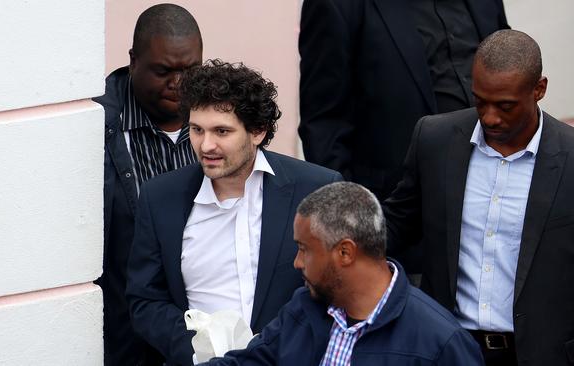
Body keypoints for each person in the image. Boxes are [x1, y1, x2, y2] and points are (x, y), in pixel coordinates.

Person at [382, 29, 574, 365]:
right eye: (480, 101)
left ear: (539, 89)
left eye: (505, 106)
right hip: (446, 351)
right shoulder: (434, 140)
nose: (490, 117)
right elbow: (393, 226)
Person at [126, 60, 343, 366]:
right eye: (197, 130)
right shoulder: (160, 198)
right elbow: (146, 301)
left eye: (222, 131)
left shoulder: (316, 189)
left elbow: (338, 292)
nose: (206, 145)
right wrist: (201, 350)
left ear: (257, 131)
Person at [199, 182, 484, 365]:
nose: (297, 262)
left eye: (303, 249)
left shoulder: (440, 343)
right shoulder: (304, 307)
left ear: (345, 252)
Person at [298, 0, 509, 200]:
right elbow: (323, 126)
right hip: (397, 207)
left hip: (493, 188)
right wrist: (348, 214)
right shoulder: (338, 5)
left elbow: (509, 71)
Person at [93, 4, 203, 365]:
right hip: (125, 336)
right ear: (133, 60)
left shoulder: (219, 121)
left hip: (204, 331)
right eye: (163, 71)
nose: (179, 84)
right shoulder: (94, 126)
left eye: (190, 70)